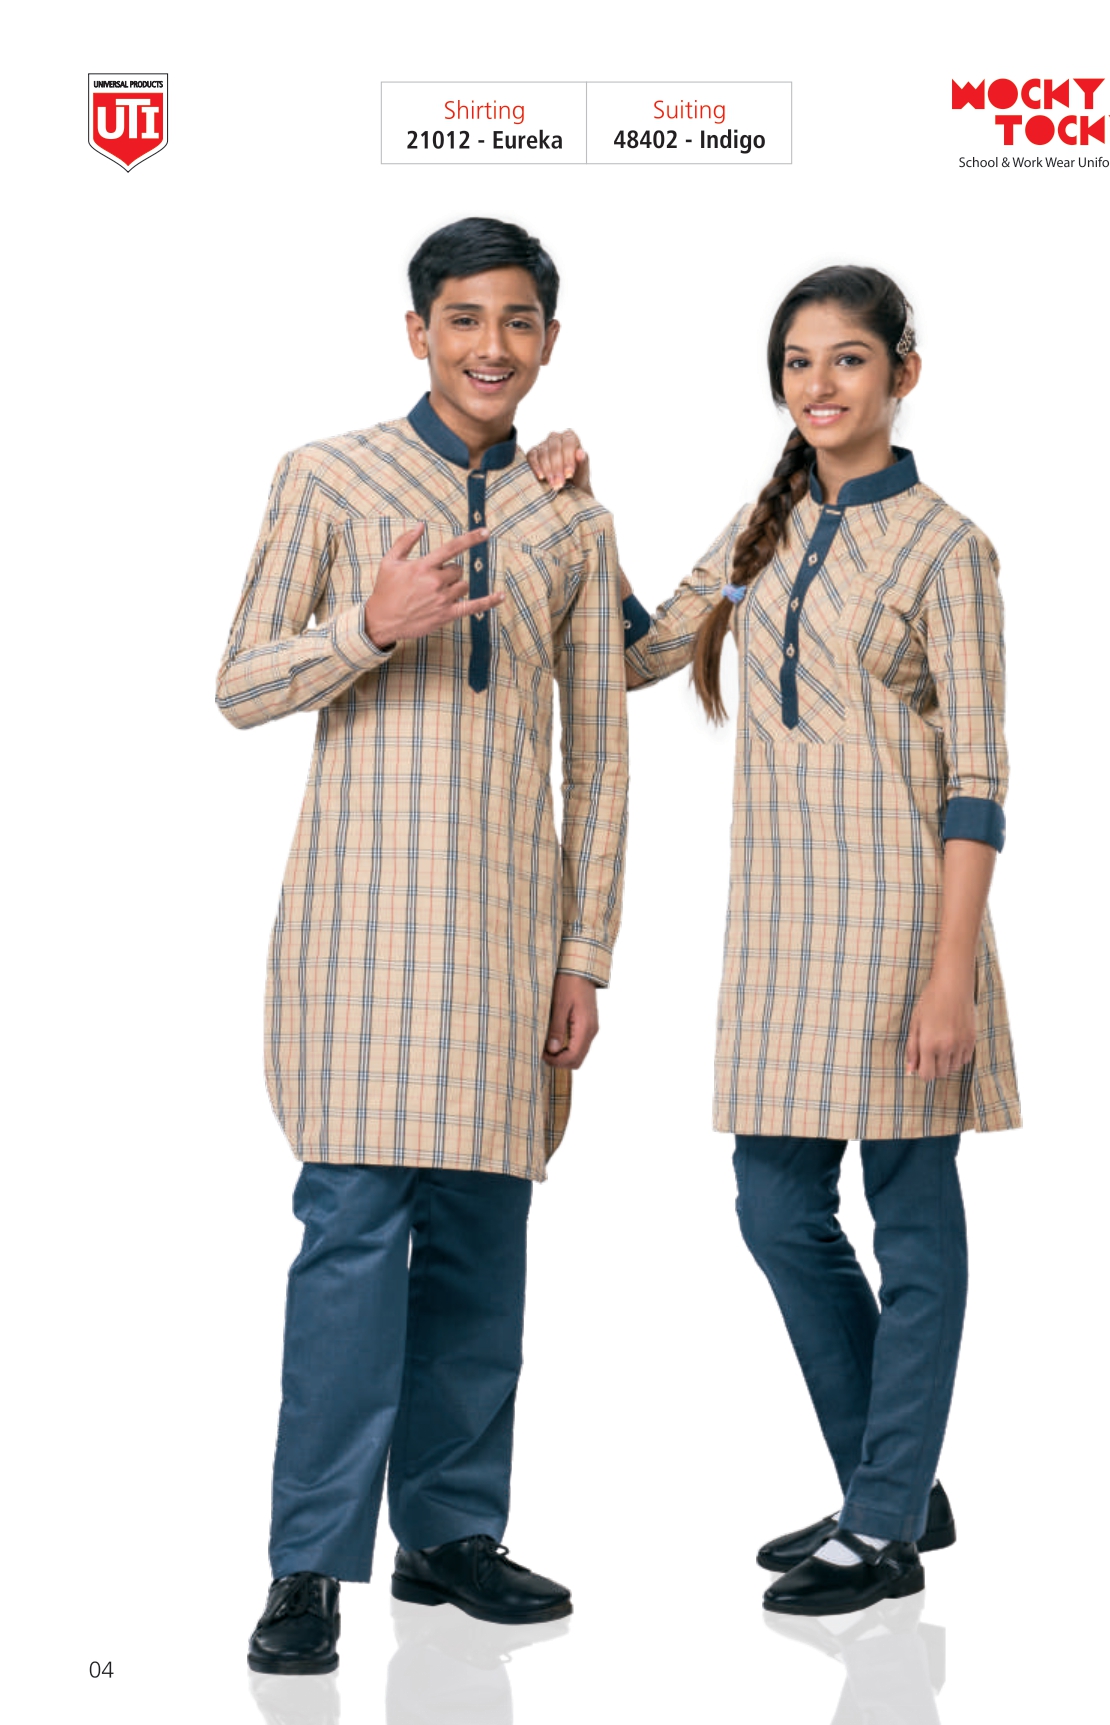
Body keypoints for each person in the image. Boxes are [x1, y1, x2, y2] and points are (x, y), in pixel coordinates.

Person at [528, 264, 1019, 1616]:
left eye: (847, 358)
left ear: (903, 371)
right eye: (798, 361)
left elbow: (978, 777)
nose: (819, 384)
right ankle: (891, 1480)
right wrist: (581, 517)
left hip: (907, 924)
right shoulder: (767, 521)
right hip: (781, 933)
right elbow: (638, 652)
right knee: (773, 1204)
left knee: (911, 1221)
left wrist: (950, 972)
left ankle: (882, 1519)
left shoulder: (948, 547)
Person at [217, 217, 630, 1675]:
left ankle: (450, 1535)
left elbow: (603, 752)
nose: (489, 347)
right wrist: (368, 624)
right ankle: (307, 1564)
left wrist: (584, 952)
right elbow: (239, 683)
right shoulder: (327, 477)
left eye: (517, 322)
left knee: (480, 1253)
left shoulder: (570, 518)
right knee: (349, 1247)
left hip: (507, 944)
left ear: (549, 341)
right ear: (417, 332)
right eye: (463, 319)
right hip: (357, 935)